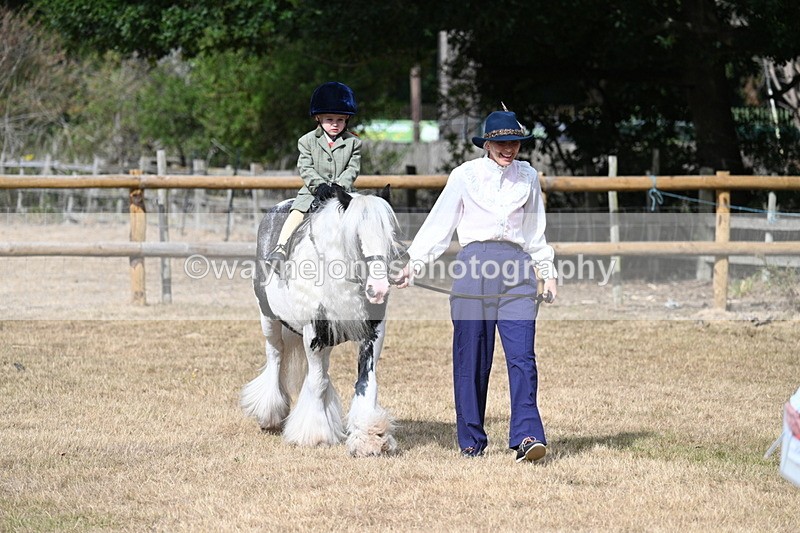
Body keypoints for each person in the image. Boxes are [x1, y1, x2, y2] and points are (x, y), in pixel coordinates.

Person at [397, 108, 558, 463]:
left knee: (522, 357)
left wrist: (547, 271)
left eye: (514, 142)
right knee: (471, 358)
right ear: (487, 143)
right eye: (501, 142)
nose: (508, 148)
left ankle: (527, 436)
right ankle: (471, 441)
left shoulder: (528, 177)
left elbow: (535, 232)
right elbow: (440, 223)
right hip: (474, 268)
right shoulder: (465, 176)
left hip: (518, 270)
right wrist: (414, 263)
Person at [267, 81, 361, 266]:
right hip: (312, 192)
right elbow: (305, 167)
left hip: (343, 192)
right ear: (318, 118)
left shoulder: (354, 143)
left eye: (340, 120)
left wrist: (339, 186)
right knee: (296, 213)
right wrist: (319, 185)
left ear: (347, 119)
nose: (335, 124)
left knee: (362, 218)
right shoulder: (306, 141)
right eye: (329, 119)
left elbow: (353, 168)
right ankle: (281, 248)